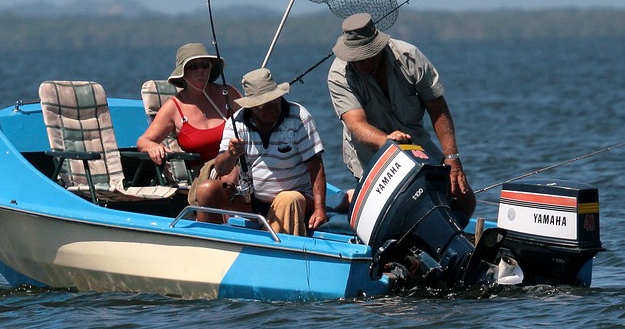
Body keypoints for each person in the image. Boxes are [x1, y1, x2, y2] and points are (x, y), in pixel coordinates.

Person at [327, 12, 474, 221]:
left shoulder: (409, 57)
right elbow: (356, 125)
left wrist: (452, 158)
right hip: (369, 153)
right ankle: (351, 200)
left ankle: (454, 236)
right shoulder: (339, 74)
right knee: (401, 207)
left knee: (462, 196)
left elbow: (438, 109)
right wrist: (387, 141)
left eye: (364, 56)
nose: (359, 62)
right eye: (354, 57)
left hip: (416, 142)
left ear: (377, 47)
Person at [194, 68, 328, 236]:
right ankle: (209, 243)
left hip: (297, 198)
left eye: (275, 101)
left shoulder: (299, 116)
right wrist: (231, 154)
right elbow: (221, 169)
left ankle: (276, 250)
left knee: (287, 199)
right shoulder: (236, 123)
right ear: (252, 106)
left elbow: (316, 166)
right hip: (252, 199)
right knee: (207, 189)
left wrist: (319, 209)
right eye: (264, 106)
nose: (272, 109)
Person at [136, 43, 241, 168]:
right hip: (204, 175)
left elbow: (253, 122)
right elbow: (143, 141)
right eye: (193, 67)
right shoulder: (173, 107)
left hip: (239, 165)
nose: (200, 70)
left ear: (210, 68)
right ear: (182, 73)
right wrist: (153, 147)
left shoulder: (227, 93)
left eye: (204, 65)